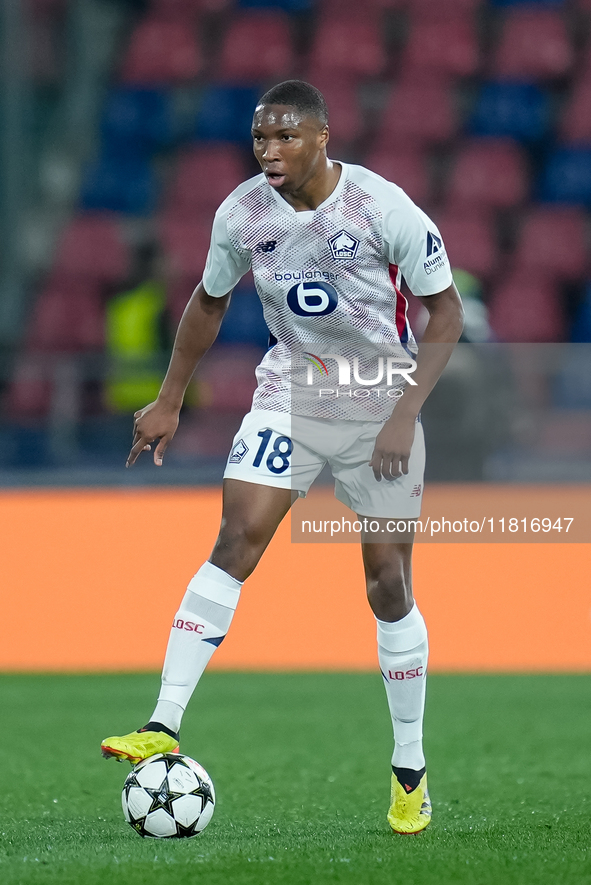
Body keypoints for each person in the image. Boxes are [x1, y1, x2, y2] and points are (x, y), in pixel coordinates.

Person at [101, 80, 464, 835]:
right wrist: (169, 398)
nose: (269, 150)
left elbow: (446, 309)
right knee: (237, 536)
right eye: (260, 137)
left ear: (322, 137)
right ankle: (162, 723)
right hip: (291, 389)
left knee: (386, 582)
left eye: (285, 136)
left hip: (377, 397)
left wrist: (404, 414)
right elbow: (208, 300)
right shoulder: (240, 213)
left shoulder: (380, 207)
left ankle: (408, 768)